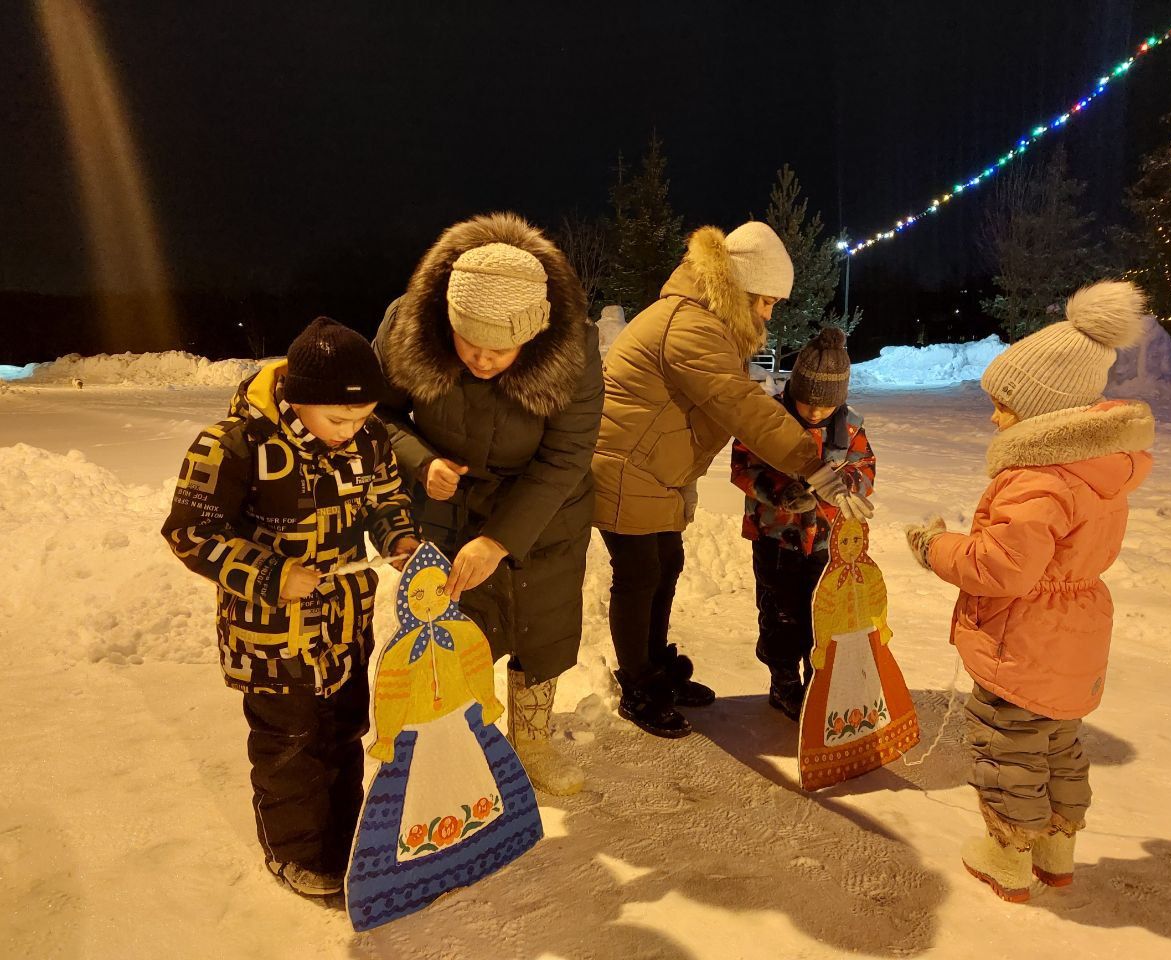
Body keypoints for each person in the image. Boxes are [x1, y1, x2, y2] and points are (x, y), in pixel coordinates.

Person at [904, 280, 1155, 903]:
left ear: (1046, 412)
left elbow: (1001, 568)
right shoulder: (1098, 471)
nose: (994, 417)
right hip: (1075, 634)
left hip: (1023, 636)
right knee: (1059, 742)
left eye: (1006, 406)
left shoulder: (1038, 480)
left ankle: (1008, 854)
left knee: (1006, 743)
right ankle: (1057, 846)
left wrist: (934, 548)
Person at [161, 317, 419, 898]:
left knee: (345, 733)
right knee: (290, 747)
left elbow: (387, 499)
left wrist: (398, 538)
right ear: (298, 399)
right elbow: (191, 532)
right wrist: (273, 574)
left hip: (347, 626)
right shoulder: (232, 444)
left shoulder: (370, 437)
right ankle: (296, 852)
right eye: (338, 418)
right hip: (271, 638)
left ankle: (347, 840)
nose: (350, 430)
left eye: (360, 416)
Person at [593, 221, 871, 738]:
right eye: (765, 301)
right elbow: (740, 405)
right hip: (627, 469)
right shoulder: (690, 325)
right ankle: (639, 687)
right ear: (739, 289)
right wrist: (810, 463)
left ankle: (655, 668)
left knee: (665, 565)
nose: (769, 313)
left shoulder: (705, 322)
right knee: (639, 577)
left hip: (653, 472)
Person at [373, 212, 603, 796]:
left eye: (501, 350)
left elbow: (568, 454)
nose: (481, 360)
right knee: (451, 636)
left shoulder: (573, 343)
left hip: (546, 512)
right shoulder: (409, 325)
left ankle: (533, 745)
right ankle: (461, 750)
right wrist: (422, 460)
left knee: (539, 631)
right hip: (446, 508)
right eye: (468, 343)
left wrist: (500, 540)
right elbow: (377, 415)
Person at [730, 327, 875, 719]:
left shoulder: (850, 428)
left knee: (822, 620)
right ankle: (784, 684)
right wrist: (779, 493)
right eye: (807, 401)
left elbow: (865, 467)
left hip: (828, 547)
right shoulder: (769, 418)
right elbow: (742, 466)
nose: (813, 412)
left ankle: (819, 683)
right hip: (777, 541)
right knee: (781, 615)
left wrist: (849, 483)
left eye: (823, 407)